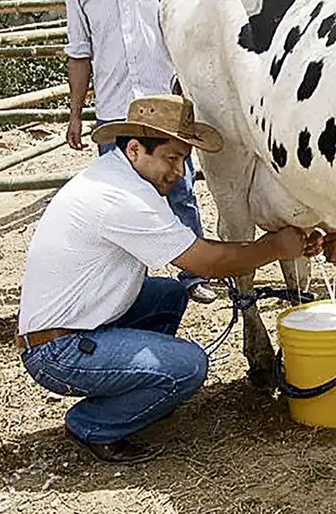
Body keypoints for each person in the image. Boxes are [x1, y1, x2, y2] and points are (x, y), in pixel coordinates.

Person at [16, 95, 323, 464]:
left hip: (73, 326)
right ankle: (94, 423)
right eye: (171, 158)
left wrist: (271, 244)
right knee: (190, 367)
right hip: (57, 352)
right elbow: (205, 262)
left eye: (183, 159)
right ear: (134, 149)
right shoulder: (121, 198)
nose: (179, 172)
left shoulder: (117, 177)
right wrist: (274, 245)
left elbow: (195, 248)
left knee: (169, 295)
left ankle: (141, 385)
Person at [63, 0, 218, 304]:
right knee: (119, 201)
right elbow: (79, 53)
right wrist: (76, 114)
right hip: (115, 110)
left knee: (180, 190)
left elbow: (185, 35)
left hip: (164, 106)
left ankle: (194, 274)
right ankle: (130, 283)